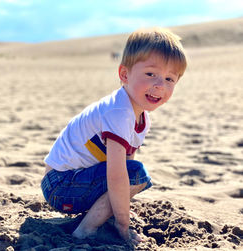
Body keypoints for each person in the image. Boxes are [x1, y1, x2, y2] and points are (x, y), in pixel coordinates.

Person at [41, 27, 187, 245]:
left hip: (73, 180)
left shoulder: (140, 115)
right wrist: (122, 223)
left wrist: (121, 207)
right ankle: (85, 231)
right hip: (60, 185)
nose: (160, 85)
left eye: (169, 79)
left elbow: (126, 163)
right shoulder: (119, 112)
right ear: (124, 74)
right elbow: (119, 176)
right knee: (136, 175)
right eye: (150, 74)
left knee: (133, 174)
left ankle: (103, 216)